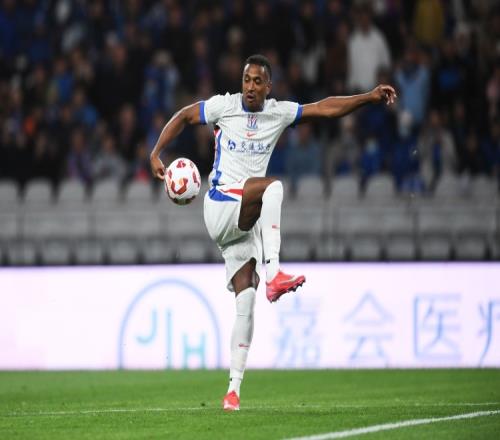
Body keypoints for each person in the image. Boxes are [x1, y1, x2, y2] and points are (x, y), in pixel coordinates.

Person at [150, 54, 396, 412]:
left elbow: (324, 108)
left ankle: (233, 391)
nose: (250, 87)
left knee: (246, 300)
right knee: (273, 188)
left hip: (242, 222)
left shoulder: (278, 113)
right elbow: (185, 115)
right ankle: (275, 271)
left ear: (269, 86)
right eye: (246, 80)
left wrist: (368, 97)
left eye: (257, 81)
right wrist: (157, 152)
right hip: (220, 204)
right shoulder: (224, 107)